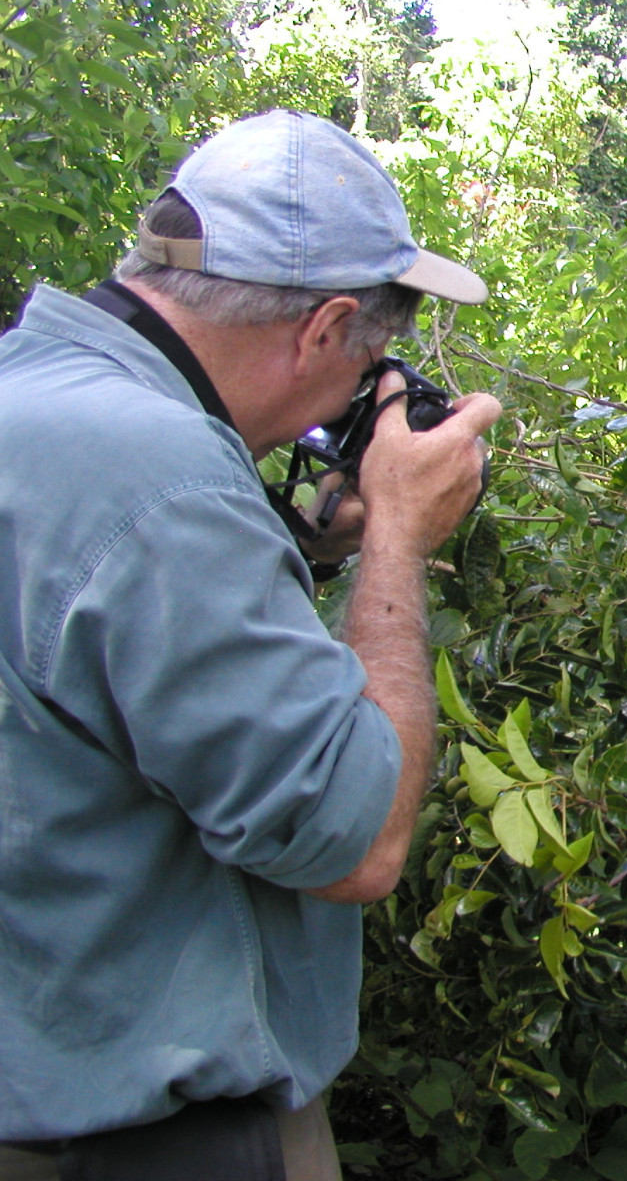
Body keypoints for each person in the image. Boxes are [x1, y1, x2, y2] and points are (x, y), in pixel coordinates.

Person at [0, 110, 502, 1180]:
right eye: (372, 349)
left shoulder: (37, 400)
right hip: (142, 1139)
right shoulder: (162, 479)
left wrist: (310, 550)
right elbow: (353, 841)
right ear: (323, 330)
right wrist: (400, 542)